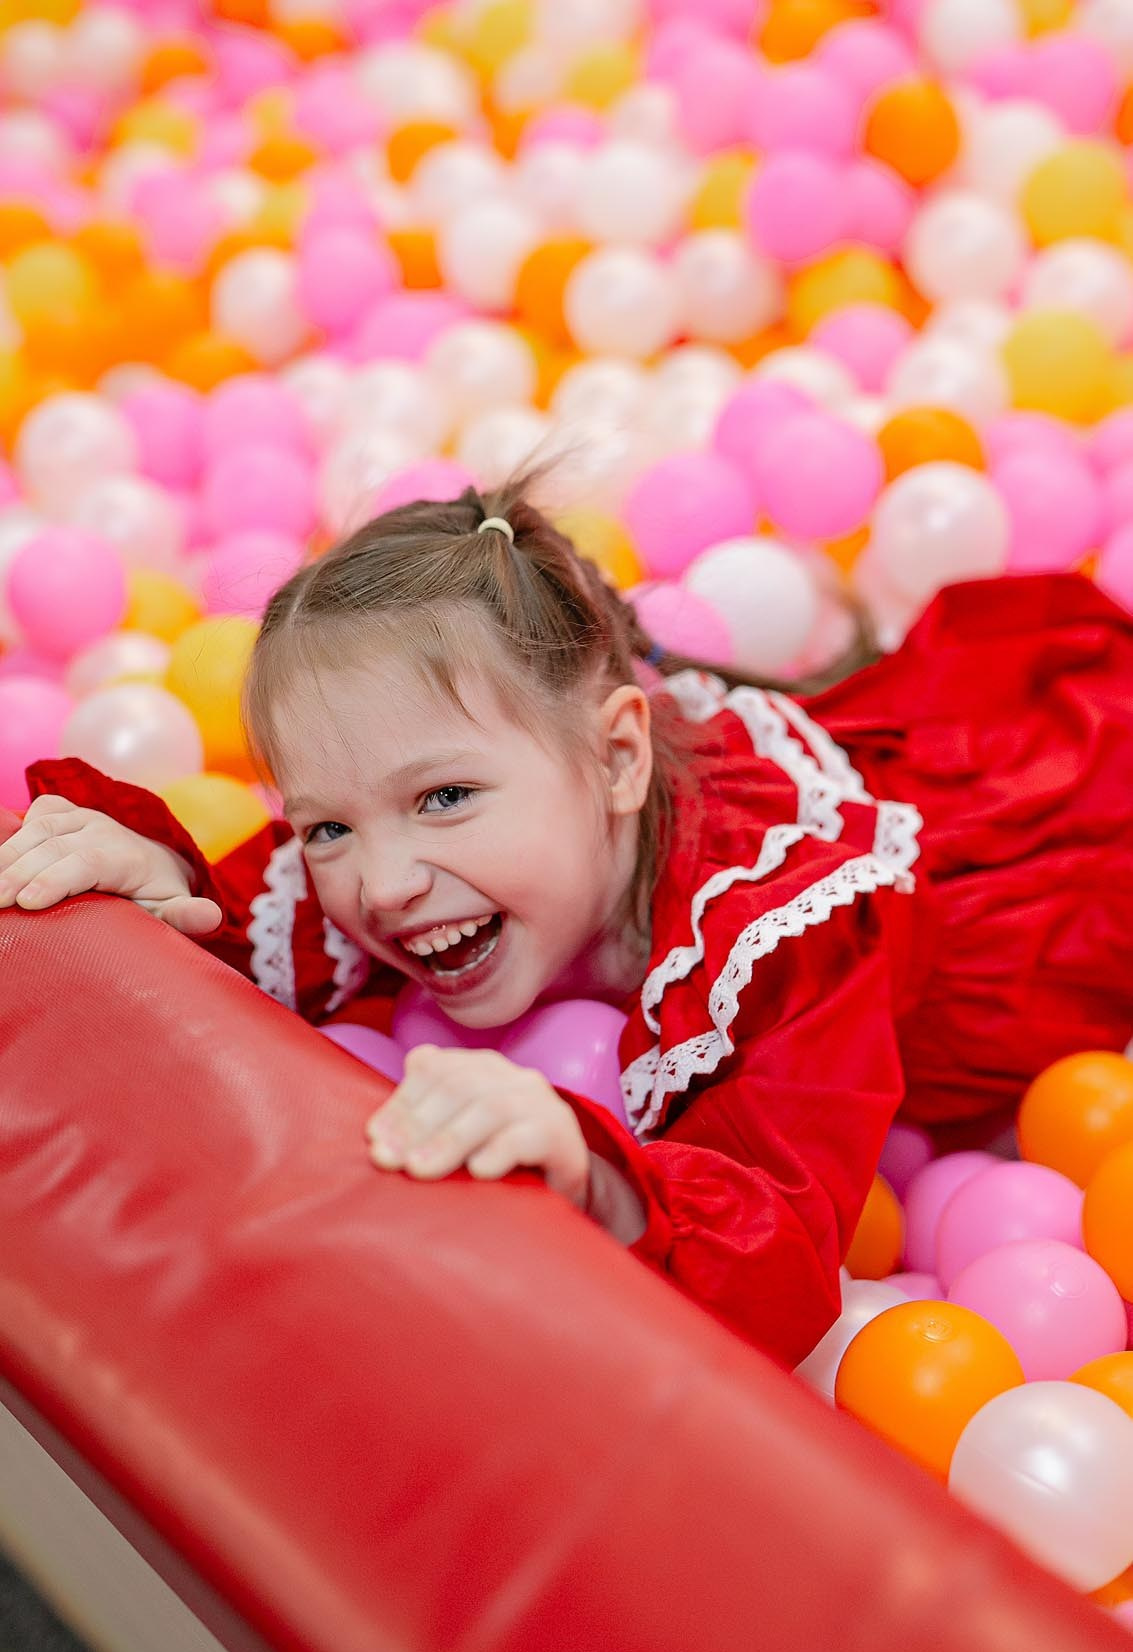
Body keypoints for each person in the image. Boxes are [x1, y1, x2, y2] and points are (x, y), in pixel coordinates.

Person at [3, 479, 1133, 1368]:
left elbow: (781, 1246)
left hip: (1058, 882)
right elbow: (271, 913)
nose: (383, 882)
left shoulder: (785, 925)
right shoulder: (422, 865)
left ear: (618, 757)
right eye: (327, 825)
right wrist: (161, 872)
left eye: (444, 797)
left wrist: (595, 1176)